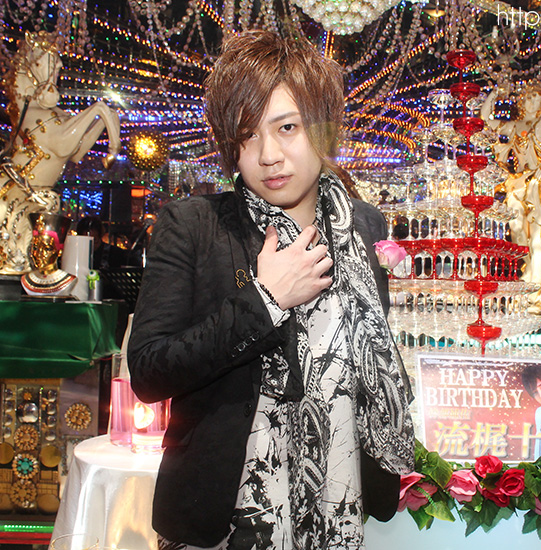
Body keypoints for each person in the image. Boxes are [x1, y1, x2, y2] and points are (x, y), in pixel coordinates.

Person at [127, 31, 414, 550]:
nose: (268, 155)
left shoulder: (364, 226)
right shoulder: (195, 226)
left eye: (287, 127)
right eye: (246, 136)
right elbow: (148, 371)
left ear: (322, 129)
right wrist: (265, 300)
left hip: (338, 505)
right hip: (225, 513)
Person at [480, 82, 541, 314]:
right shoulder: (514, 125)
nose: (531, 101)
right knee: (519, 236)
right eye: (527, 97)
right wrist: (494, 93)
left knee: (538, 237)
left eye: (536, 97)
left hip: (540, 183)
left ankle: (538, 289)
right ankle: (530, 280)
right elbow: (485, 120)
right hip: (518, 184)